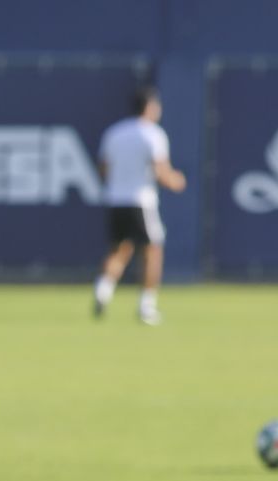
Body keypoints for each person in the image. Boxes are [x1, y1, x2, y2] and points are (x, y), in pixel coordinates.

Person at [93, 87, 185, 326]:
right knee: (152, 251)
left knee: (119, 250)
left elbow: (103, 169)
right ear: (150, 107)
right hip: (141, 201)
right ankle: (147, 305)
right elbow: (161, 170)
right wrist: (176, 181)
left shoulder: (114, 132)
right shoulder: (152, 134)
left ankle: (102, 290)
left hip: (115, 199)